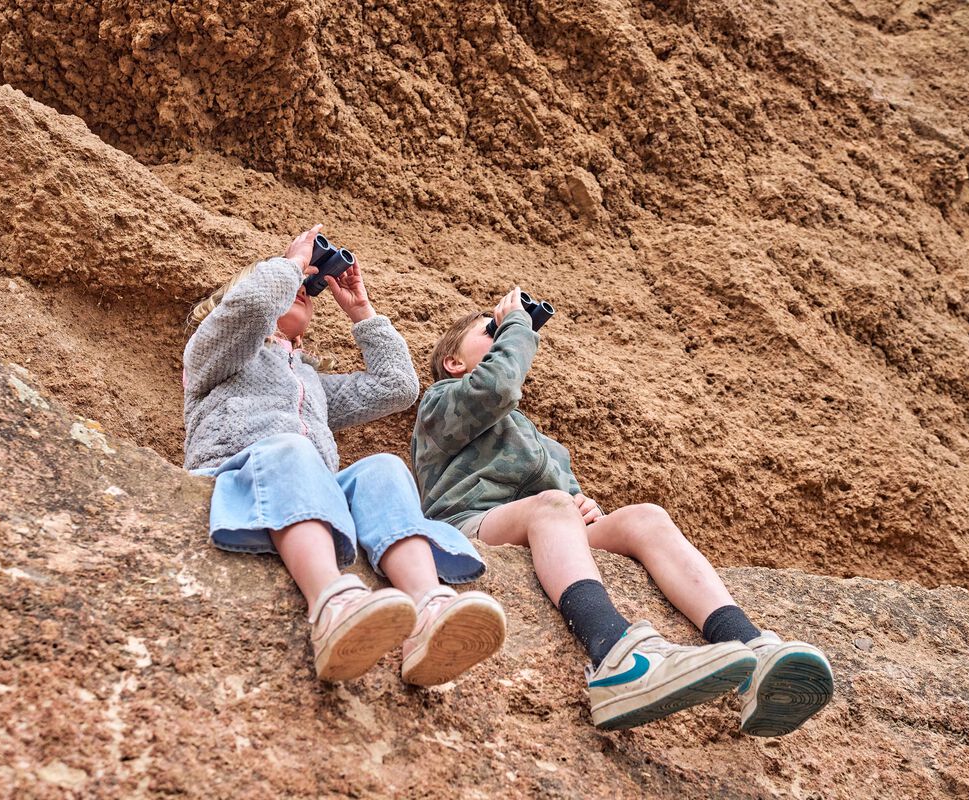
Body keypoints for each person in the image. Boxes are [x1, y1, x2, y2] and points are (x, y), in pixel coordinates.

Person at [410, 287, 834, 734]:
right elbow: (496, 386)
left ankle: (751, 651)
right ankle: (616, 658)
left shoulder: (542, 442)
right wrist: (516, 324)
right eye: (490, 332)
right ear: (454, 363)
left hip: (539, 521)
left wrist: (587, 508)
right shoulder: (440, 402)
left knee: (644, 516)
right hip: (469, 524)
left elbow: (566, 501)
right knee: (552, 506)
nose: (507, 337)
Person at [184, 224, 505, 686]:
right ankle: (331, 605)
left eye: (305, 289)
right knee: (292, 449)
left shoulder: (311, 381)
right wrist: (293, 265)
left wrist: (362, 313)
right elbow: (251, 307)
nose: (301, 290)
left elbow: (397, 388)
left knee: (384, 467)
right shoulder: (213, 357)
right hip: (239, 475)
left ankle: (430, 608)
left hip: (306, 486)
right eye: (291, 286)